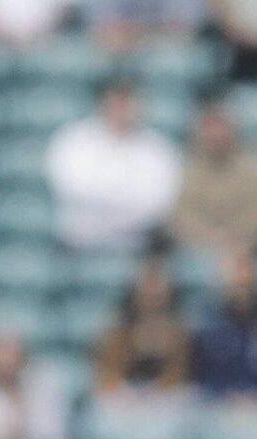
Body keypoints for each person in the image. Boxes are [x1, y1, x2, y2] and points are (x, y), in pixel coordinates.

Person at [45, 78, 182, 251]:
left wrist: (109, 198)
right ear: (102, 103)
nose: (122, 109)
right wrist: (126, 198)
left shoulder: (159, 148)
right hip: (79, 243)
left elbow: (160, 201)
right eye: (116, 101)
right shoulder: (73, 140)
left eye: (127, 102)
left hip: (137, 245)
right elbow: (72, 188)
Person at [94, 258, 192, 405]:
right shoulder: (117, 331)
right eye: (147, 287)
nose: (151, 293)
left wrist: (156, 393)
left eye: (157, 288)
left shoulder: (178, 332)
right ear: (135, 291)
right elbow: (107, 373)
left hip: (166, 402)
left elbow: (180, 372)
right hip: (123, 401)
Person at [171, 100, 257, 255]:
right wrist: (211, 237)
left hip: (244, 245)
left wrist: (232, 236)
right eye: (209, 127)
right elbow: (180, 215)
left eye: (220, 126)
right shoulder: (188, 168)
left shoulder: (250, 167)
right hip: (198, 248)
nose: (215, 134)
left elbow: (253, 212)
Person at [193, 243, 257, 404]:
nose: (240, 277)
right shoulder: (208, 315)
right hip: (217, 400)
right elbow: (202, 367)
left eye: (245, 268)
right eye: (235, 270)